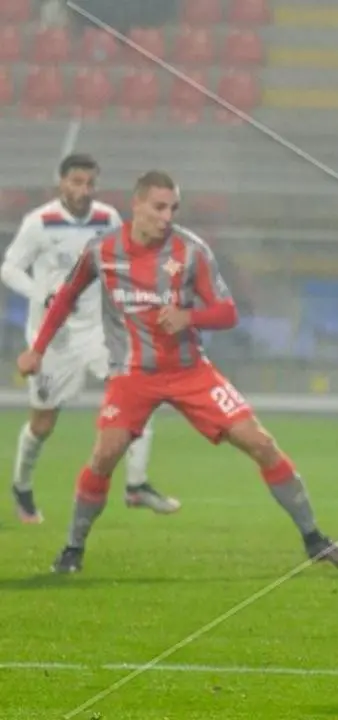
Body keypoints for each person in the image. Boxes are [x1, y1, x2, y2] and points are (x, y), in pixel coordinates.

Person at [17, 169, 338, 574]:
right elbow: (65, 297)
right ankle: (72, 550)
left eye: (173, 208)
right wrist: (37, 349)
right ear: (137, 204)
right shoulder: (102, 250)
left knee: (261, 443)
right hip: (132, 374)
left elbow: (228, 312)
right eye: (159, 207)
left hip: (190, 372)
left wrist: (189, 316)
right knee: (105, 454)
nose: (167, 216)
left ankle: (315, 539)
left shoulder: (191, 251)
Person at [1, 153, 176, 524]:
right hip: (54, 335)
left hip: (98, 330)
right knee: (43, 424)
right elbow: (9, 268)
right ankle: (22, 485)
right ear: (61, 182)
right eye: (76, 182)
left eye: (89, 183)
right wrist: (40, 293)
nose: (83, 190)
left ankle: (136, 484)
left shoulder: (107, 218)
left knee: (140, 392)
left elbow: (119, 261)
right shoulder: (40, 222)